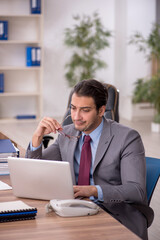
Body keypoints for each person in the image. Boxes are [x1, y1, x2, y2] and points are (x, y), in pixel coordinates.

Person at [26, 79, 153, 239]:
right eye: (73, 108)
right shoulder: (67, 134)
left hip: (114, 213)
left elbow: (136, 190)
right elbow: (35, 171)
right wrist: (37, 136)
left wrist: (93, 190)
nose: (76, 117)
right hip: (73, 209)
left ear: (101, 111)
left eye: (85, 110)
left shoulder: (127, 137)